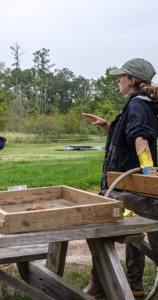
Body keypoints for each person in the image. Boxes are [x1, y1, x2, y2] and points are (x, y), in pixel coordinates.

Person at [82, 58, 158, 298]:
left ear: (133, 80)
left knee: (93, 219)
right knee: (132, 229)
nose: (118, 80)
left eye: (121, 76)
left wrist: (149, 175)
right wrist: (108, 126)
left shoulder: (137, 105)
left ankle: (100, 281)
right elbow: (129, 138)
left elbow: (140, 139)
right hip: (128, 185)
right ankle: (134, 284)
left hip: (129, 187)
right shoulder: (139, 104)